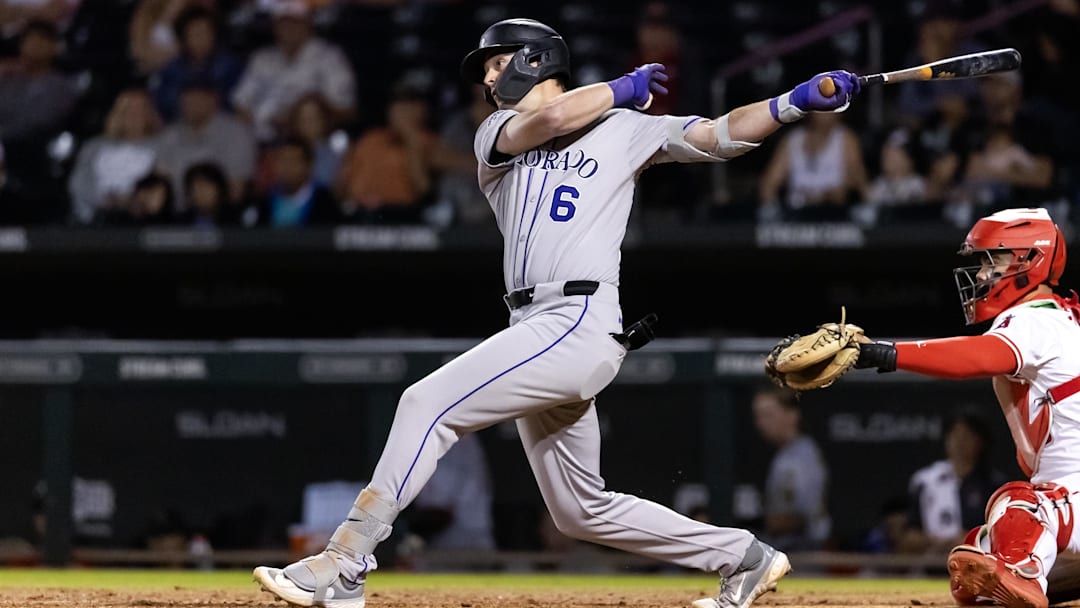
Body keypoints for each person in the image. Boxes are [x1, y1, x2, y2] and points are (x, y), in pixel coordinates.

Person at [254, 17, 862, 608]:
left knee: (425, 403)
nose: (489, 80)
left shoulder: (624, 129)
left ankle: (346, 562)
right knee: (580, 510)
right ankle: (745, 557)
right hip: (535, 325)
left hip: (577, 318)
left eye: (498, 63)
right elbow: (549, 118)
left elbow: (718, 135)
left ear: (534, 59)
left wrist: (794, 102)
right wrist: (621, 87)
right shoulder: (497, 131)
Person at [851, 207, 1080, 608]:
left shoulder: (1036, 319)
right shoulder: (1060, 319)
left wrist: (887, 354)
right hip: (1069, 499)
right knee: (980, 553)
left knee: (1018, 505)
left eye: (993, 261)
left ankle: (1024, 573)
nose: (980, 275)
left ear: (1030, 259)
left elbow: (976, 357)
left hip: (1069, 496)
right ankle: (1023, 574)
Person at [897, 410, 1008, 555]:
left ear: (980, 441)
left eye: (966, 436)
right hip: (931, 567)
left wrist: (969, 539)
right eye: (954, 435)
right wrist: (935, 541)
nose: (959, 443)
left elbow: (1003, 535)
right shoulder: (925, 481)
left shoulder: (993, 485)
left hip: (977, 565)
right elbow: (908, 537)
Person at [751, 385, 831, 552]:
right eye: (758, 416)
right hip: (786, 547)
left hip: (805, 551)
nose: (760, 423)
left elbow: (803, 517)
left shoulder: (803, 456)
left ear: (792, 416)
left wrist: (754, 522)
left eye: (768, 415)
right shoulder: (785, 454)